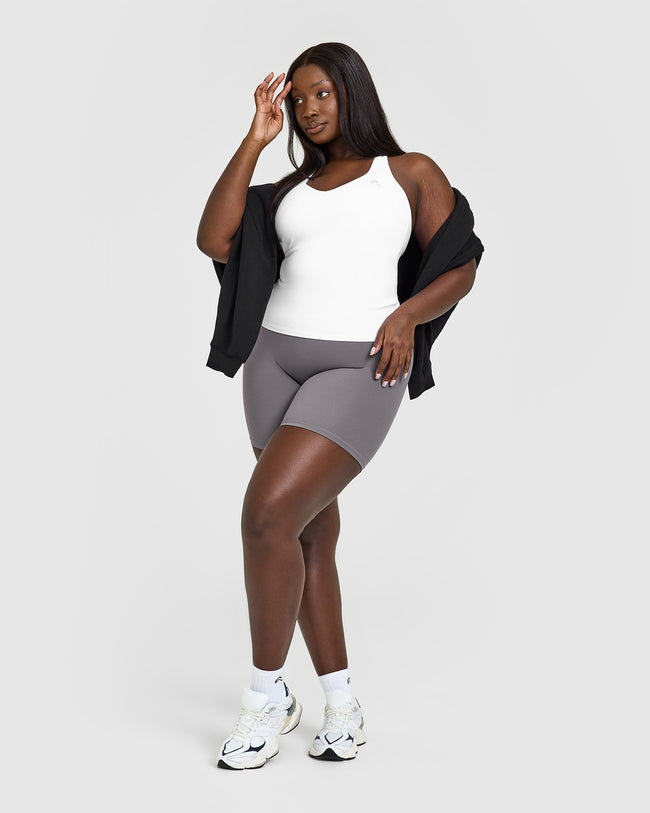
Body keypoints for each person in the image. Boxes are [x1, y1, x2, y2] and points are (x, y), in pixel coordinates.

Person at [196, 42, 483, 770]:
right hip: (272, 359)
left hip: (361, 364)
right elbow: (214, 239)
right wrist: (255, 140)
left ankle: (264, 700)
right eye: (297, 100)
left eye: (321, 92)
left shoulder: (408, 173)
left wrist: (407, 316)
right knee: (306, 536)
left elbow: (461, 264)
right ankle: (341, 707)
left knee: (266, 515)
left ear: (353, 91)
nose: (308, 108)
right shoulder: (289, 190)